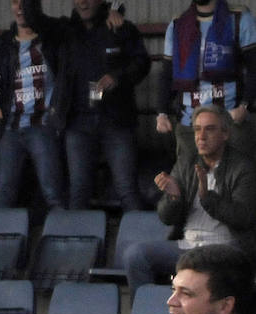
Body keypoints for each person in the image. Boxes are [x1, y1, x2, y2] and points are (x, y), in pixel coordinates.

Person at [126, 104, 256, 293]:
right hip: (188, 245)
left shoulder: (243, 167)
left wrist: (207, 198)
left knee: (200, 274)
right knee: (135, 255)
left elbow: (244, 218)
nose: (201, 136)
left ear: (226, 134)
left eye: (209, 129)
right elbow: (165, 217)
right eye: (197, 129)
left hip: (225, 248)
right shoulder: (186, 162)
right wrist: (174, 197)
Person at [58, 0, 149, 212]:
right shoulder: (65, 32)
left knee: (126, 188)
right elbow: (36, 21)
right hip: (78, 123)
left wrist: (119, 77)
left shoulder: (121, 27)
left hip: (116, 121)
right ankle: (76, 243)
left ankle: (141, 242)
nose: (83, 2)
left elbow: (142, 63)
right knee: (78, 190)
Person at [0, 0, 67, 211]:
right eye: (15, 2)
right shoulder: (3, 43)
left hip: (43, 124)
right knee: (3, 192)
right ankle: (0, 240)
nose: (20, 7)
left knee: (53, 191)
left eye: (25, 2)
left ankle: (63, 238)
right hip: (11, 126)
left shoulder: (53, 37)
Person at [156, 0, 256, 166]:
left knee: (237, 183)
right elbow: (167, 74)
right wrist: (161, 113)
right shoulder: (177, 25)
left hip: (230, 122)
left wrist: (244, 107)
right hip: (189, 125)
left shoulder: (239, 19)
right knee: (191, 184)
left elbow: (254, 68)